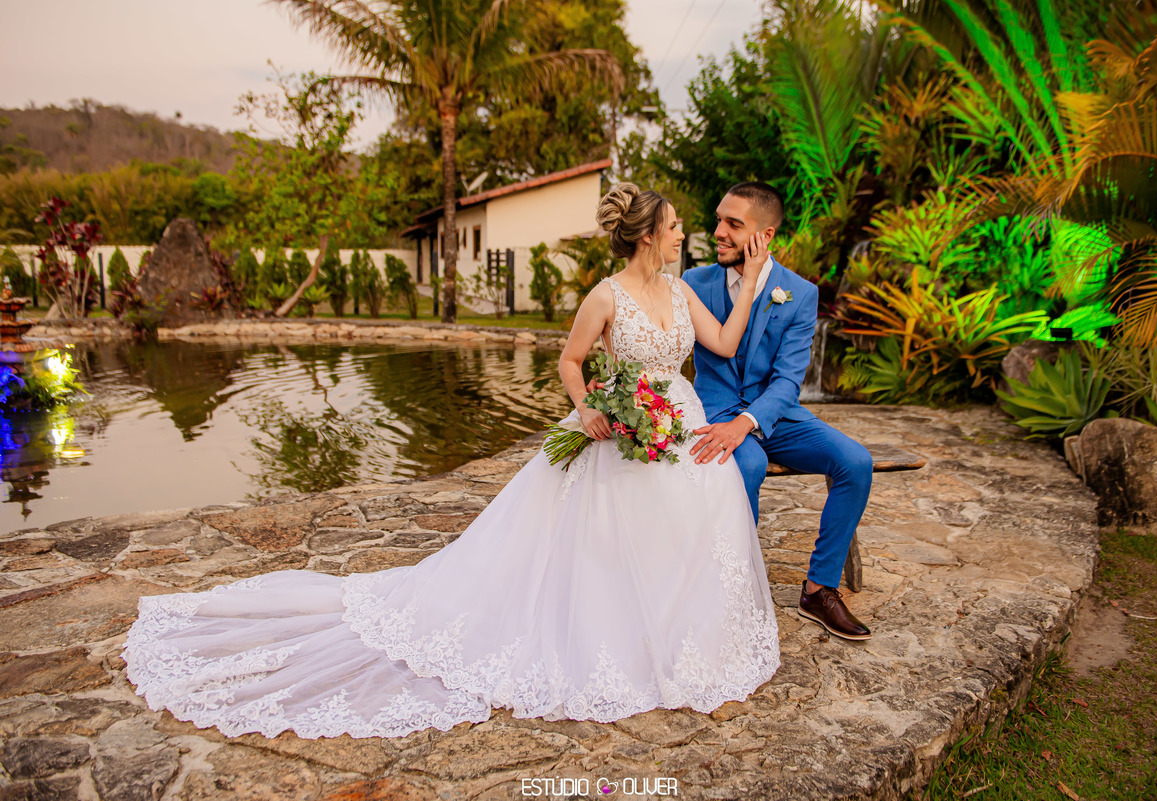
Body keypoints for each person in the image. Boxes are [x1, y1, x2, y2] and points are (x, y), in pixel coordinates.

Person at [121, 183, 781, 740]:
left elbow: (724, 341)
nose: (683, 234)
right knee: (604, 547)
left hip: (678, 424)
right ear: (649, 235)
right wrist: (586, 408)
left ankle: (677, 638)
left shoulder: (681, 291)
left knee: (691, 521)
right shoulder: (606, 296)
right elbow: (570, 360)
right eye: (675, 226)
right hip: (618, 431)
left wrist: (750, 281)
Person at [682, 182, 874, 642]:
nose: (719, 232)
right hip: (714, 410)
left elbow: (789, 380)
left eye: (733, 224)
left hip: (776, 415)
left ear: (764, 235)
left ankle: (819, 589)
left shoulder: (800, 293)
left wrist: (746, 423)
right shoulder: (694, 283)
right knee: (745, 463)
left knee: (855, 461)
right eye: (719, 219)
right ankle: (736, 590)